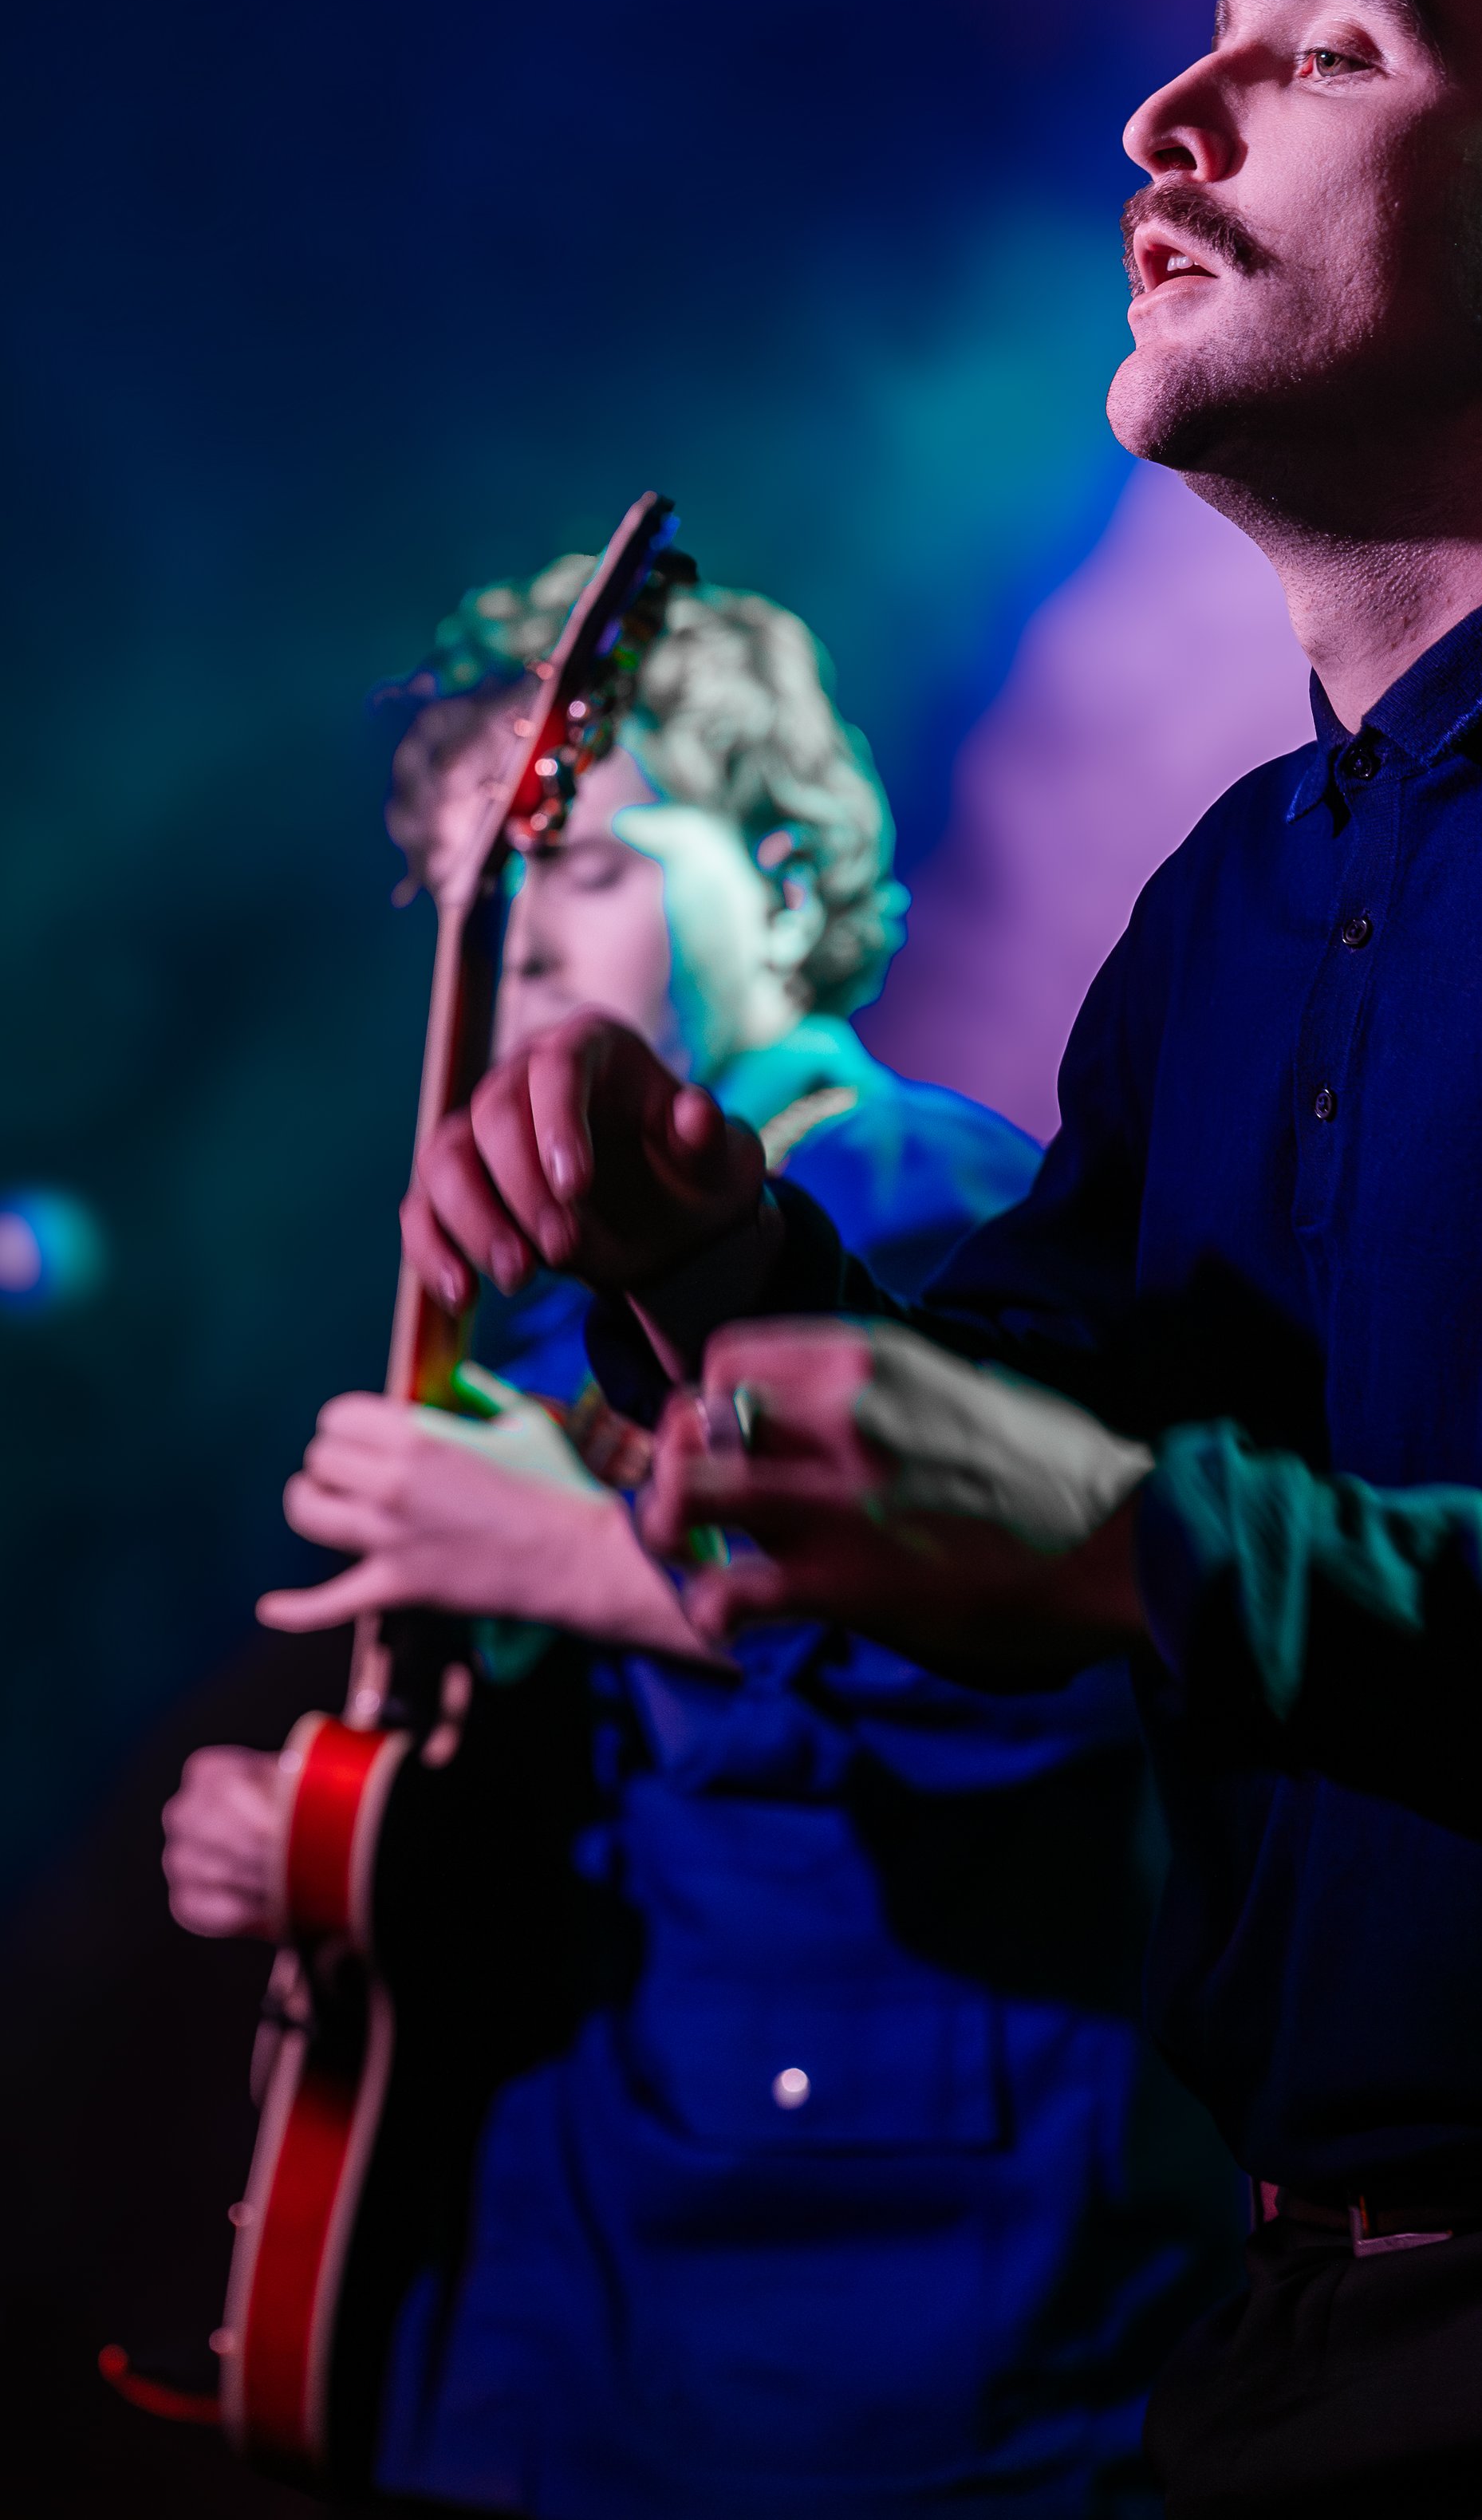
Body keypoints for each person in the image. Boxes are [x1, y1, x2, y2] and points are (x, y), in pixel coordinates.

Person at [345, 0, 1482, 2516]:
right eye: (1212, 40)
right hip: (1298, 2331)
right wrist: (715, 1251)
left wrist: (1137, 1538)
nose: (1167, 112)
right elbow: (976, 1554)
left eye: (1337, 51)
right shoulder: (1240, 890)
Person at [164, 566, 1240, 2519]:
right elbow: (597, 1793)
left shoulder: (930, 1203)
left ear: (773, 865)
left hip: (887, 2290)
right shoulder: (548, 1306)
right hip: (594, 2258)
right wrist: (336, 1837)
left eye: (579, 864)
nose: (520, 946)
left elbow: (1072, 1679)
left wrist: (566, 1554)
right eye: (480, 902)